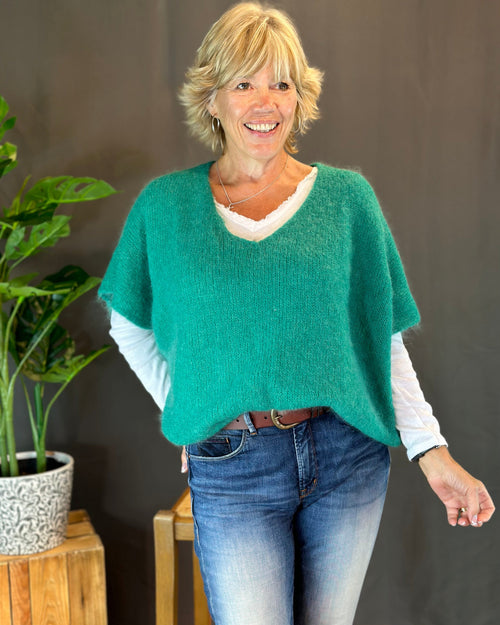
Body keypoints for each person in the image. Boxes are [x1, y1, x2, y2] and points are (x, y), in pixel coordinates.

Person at [99, 3, 494, 624]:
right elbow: (129, 325)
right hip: (233, 467)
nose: (265, 103)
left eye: (281, 84)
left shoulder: (347, 200)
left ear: (299, 98)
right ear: (212, 99)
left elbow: (380, 341)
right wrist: (195, 403)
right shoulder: (165, 208)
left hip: (347, 456)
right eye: (244, 84)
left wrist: (432, 450)